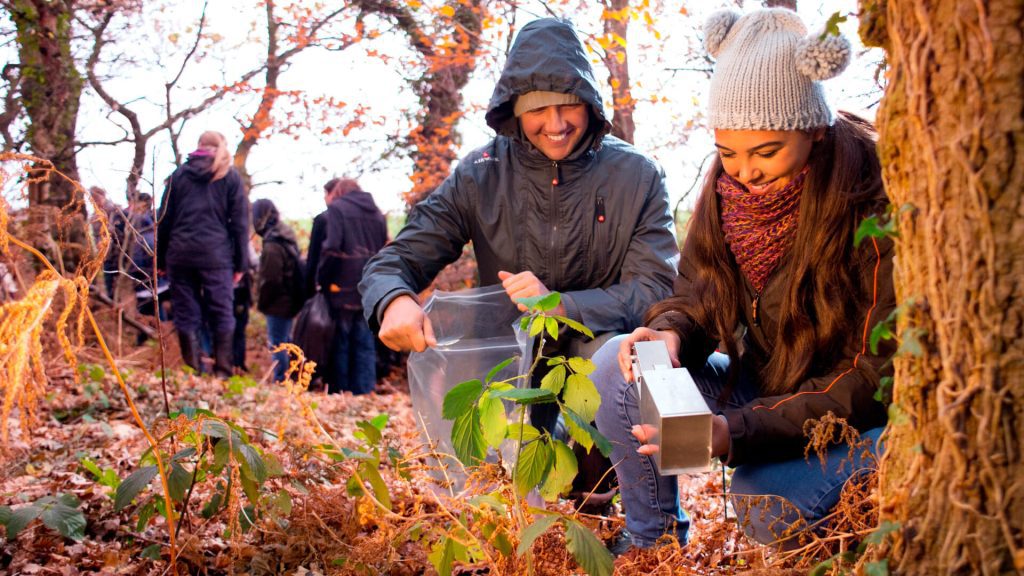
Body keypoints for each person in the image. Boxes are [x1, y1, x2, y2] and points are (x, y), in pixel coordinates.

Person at [592, 7, 895, 552]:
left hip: (849, 411)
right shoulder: (727, 191)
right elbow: (699, 290)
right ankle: (652, 547)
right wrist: (672, 330)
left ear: (813, 130)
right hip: (766, 384)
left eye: (766, 151)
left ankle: (865, 512)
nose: (745, 172)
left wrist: (736, 431)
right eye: (728, 151)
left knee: (764, 505)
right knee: (619, 368)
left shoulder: (868, 197)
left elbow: (873, 373)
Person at [359, 17, 679, 503]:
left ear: (589, 102)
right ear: (513, 111)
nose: (556, 124)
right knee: (488, 431)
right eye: (538, 110)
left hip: (596, 345)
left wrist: (563, 306)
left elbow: (655, 287)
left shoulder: (636, 175)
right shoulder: (480, 175)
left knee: (629, 365)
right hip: (509, 352)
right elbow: (397, 258)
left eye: (568, 104)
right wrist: (393, 300)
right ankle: (490, 512)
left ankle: (632, 515)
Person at [157, 131, 250, 377]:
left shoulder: (179, 176)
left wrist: (161, 258)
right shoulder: (229, 177)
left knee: (186, 311)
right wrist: (241, 264)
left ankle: (194, 368)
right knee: (221, 311)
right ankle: (223, 371)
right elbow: (239, 224)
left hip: (180, 254)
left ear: (198, 146)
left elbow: (163, 219)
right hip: (216, 256)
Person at [319, 178, 387, 395]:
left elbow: (331, 247)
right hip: (371, 285)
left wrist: (322, 278)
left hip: (343, 285)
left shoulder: (337, 209)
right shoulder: (377, 213)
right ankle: (365, 390)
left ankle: (340, 390)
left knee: (341, 340)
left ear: (339, 192)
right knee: (365, 340)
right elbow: (385, 249)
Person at [252, 199, 304, 382]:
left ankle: (282, 380)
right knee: (286, 341)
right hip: (289, 298)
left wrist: (262, 301)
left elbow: (271, 278)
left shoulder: (273, 242)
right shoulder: (285, 236)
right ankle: (291, 378)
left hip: (279, 301)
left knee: (278, 343)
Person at [126, 193, 169, 344]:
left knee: (150, 313)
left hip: (148, 284)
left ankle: (157, 343)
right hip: (156, 282)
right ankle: (157, 342)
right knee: (155, 312)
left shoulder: (142, 234)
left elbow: (138, 262)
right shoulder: (151, 228)